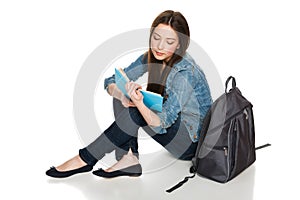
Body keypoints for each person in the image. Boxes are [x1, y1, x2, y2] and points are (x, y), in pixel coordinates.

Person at [46, 10, 212, 178]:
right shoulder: (151, 57)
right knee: (124, 91)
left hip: (191, 144)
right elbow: (111, 81)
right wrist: (122, 95)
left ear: (179, 44)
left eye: (169, 41)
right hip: (173, 127)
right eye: (156, 38)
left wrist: (139, 103)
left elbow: (163, 122)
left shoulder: (185, 72)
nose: (160, 46)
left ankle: (85, 158)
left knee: (135, 107)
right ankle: (129, 158)